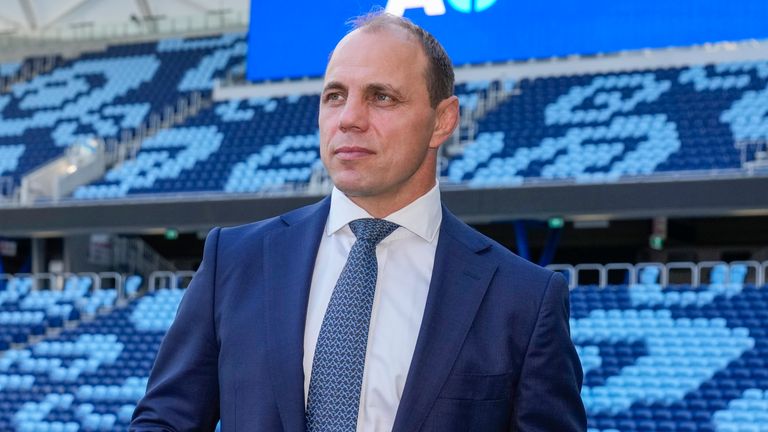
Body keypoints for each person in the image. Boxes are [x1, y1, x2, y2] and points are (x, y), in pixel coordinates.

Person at [131, 12, 586, 432]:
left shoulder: (524, 298)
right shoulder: (233, 261)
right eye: (334, 96)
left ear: (442, 121)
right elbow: (164, 422)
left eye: (381, 97)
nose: (349, 119)